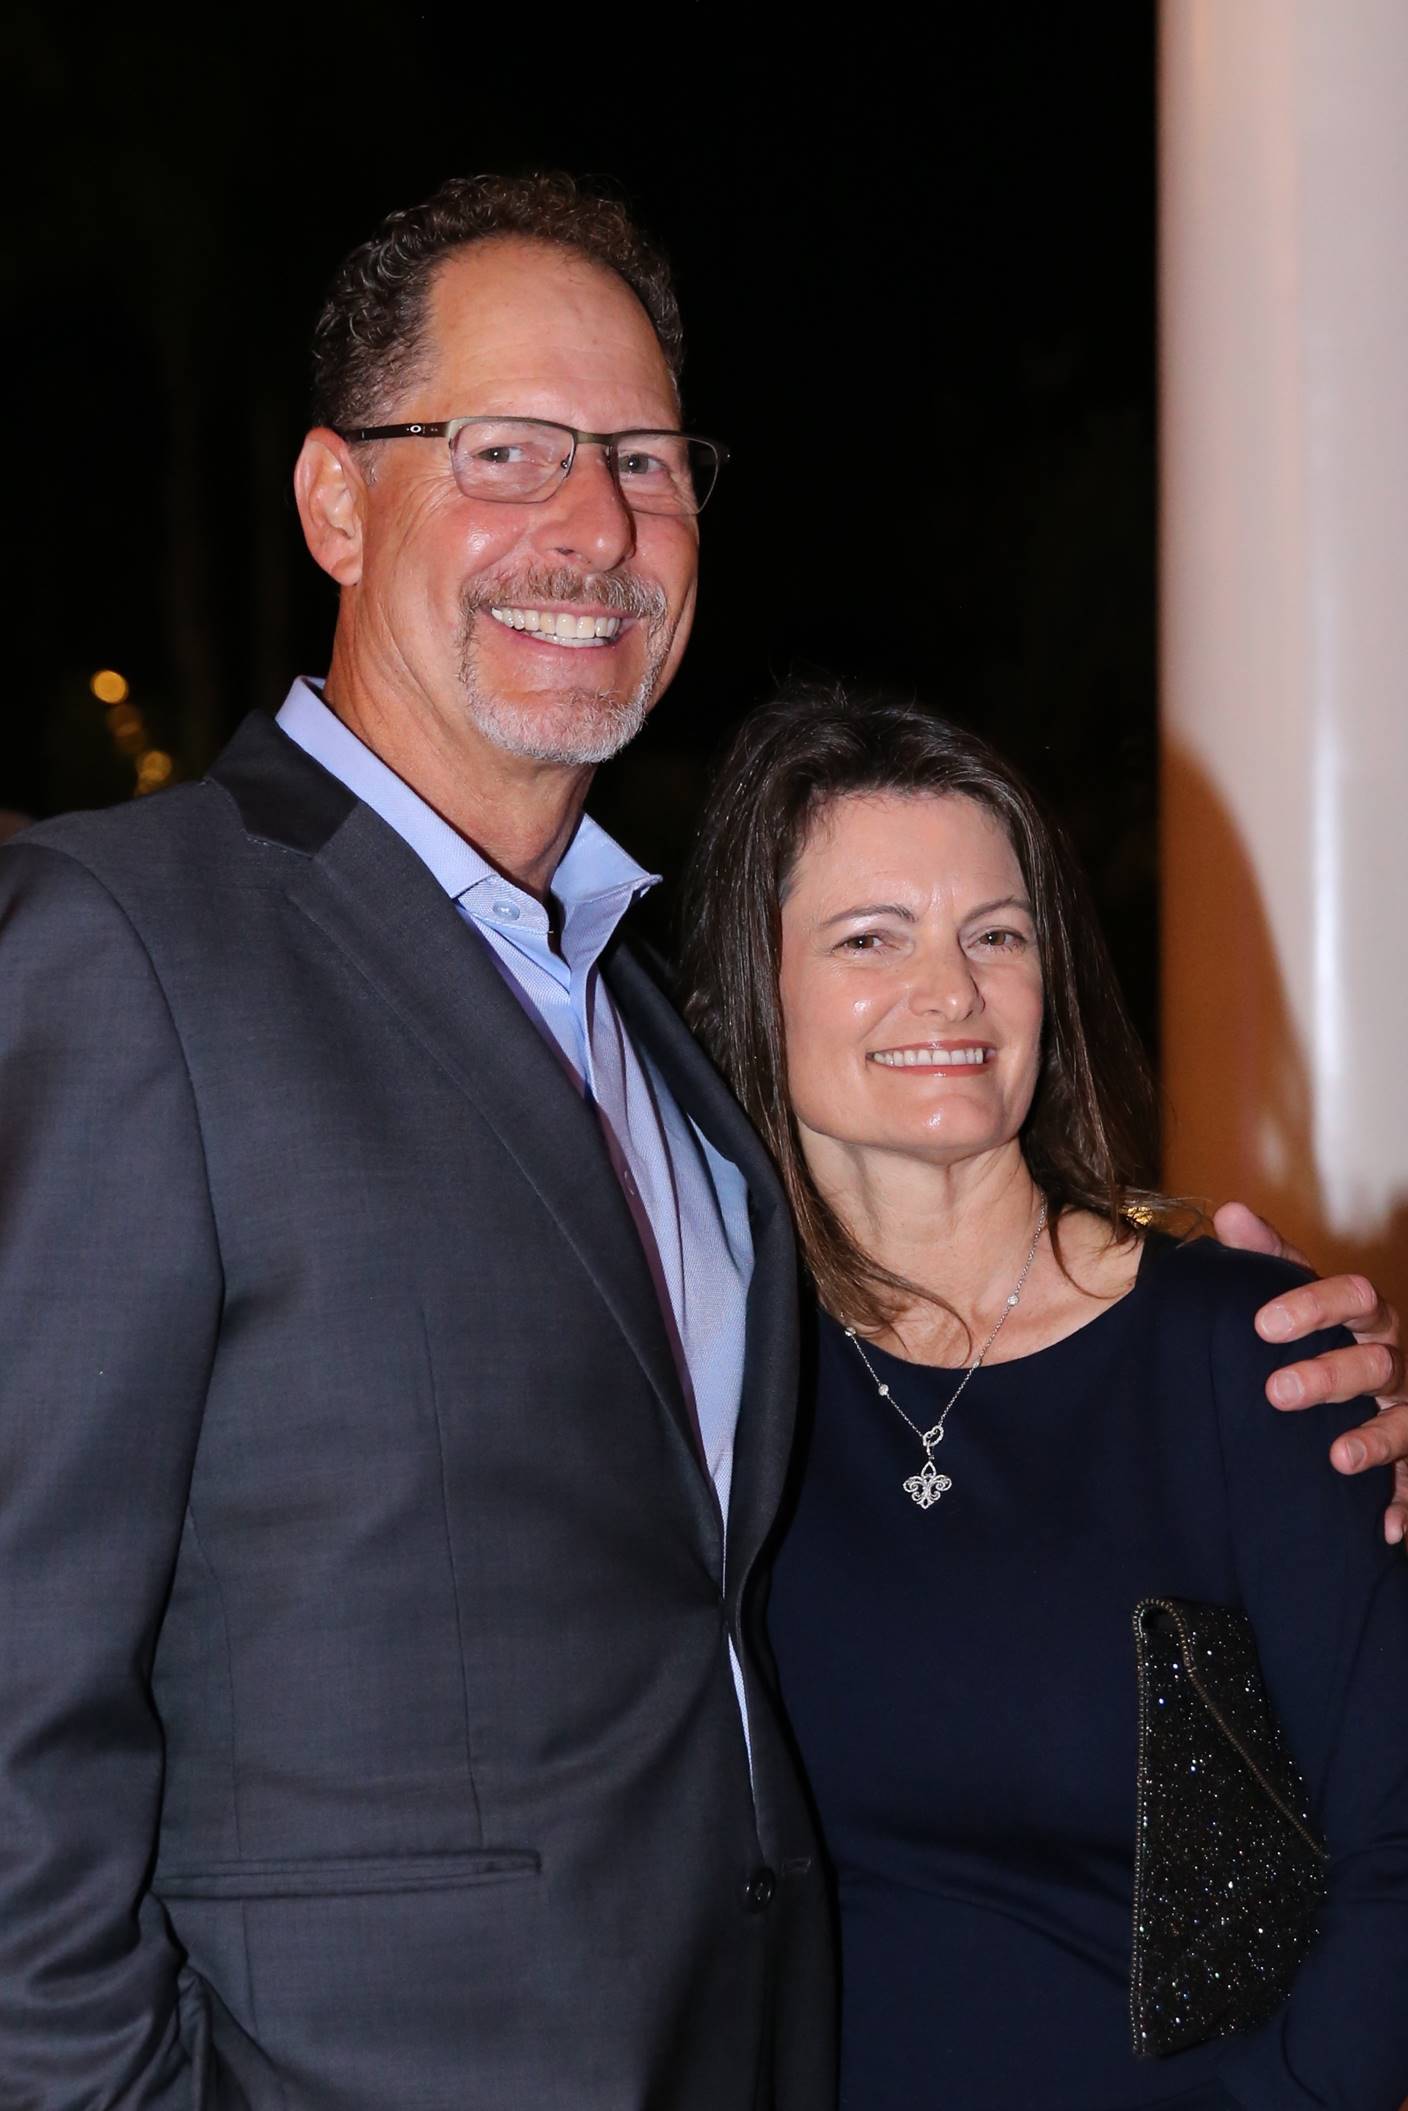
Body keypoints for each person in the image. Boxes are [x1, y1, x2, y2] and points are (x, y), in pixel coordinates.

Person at [0, 177, 1401, 2109]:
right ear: (335, 501)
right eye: (507, 451)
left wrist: (1257, 1365)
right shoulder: (128, 943)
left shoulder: (657, 1049)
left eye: (647, 463)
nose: (594, 525)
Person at [680, 685, 1408, 2111]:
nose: (949, 991)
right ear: (750, 991)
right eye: (870, 938)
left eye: (996, 935)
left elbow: (1395, 1849)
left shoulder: (1249, 1353)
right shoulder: (712, 1366)